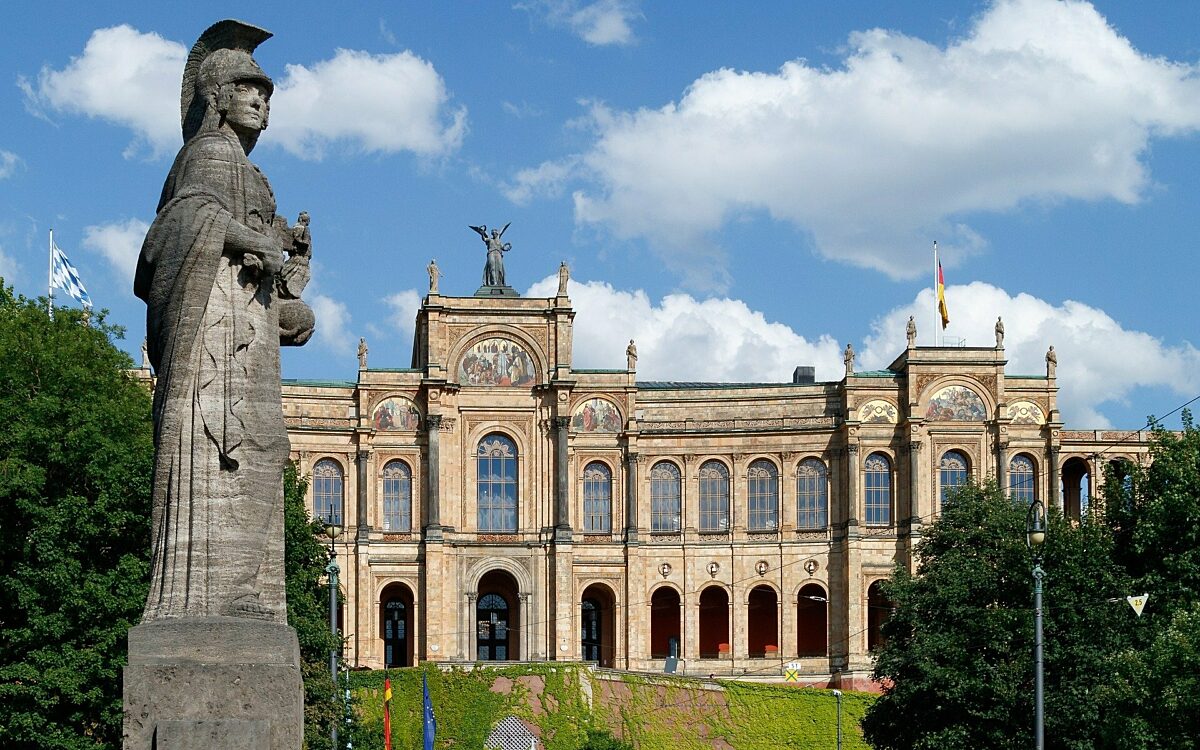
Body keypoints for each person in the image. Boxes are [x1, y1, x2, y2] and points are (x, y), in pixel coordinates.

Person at [133, 21, 313, 623]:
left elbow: (247, 272)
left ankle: (243, 594)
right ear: (217, 97)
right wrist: (251, 239)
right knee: (228, 458)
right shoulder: (210, 155)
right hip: (215, 352)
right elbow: (178, 228)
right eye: (248, 88)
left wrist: (287, 303)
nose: (261, 102)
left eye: (265, 92)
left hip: (245, 346)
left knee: (260, 459)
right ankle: (214, 598)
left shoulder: (248, 169)